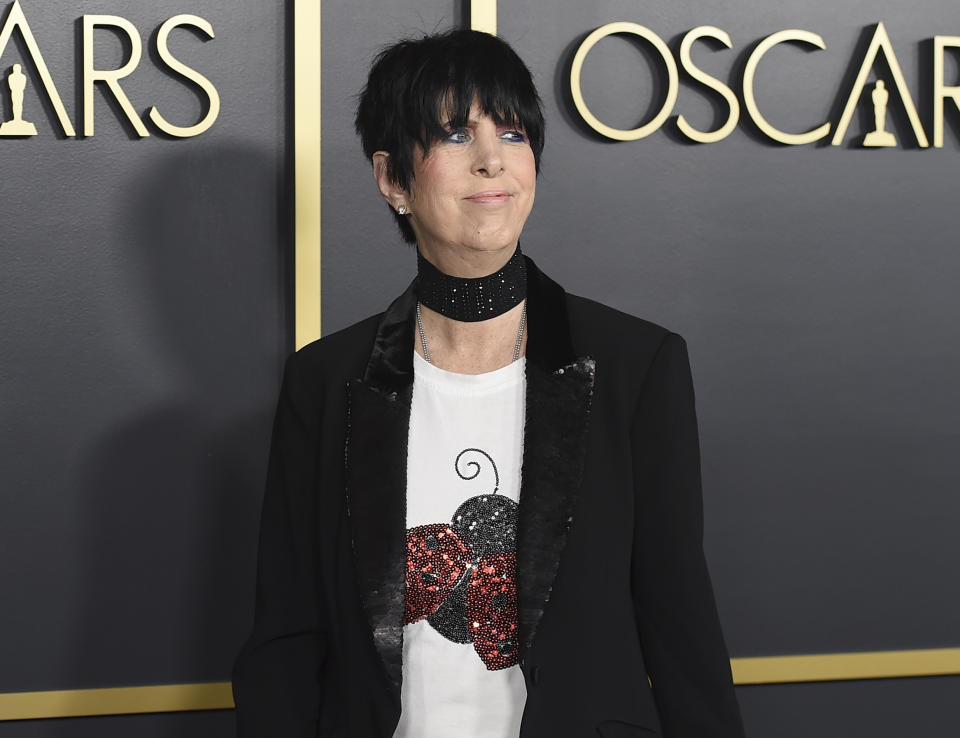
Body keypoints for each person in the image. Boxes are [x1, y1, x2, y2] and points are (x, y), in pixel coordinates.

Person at [232, 29, 745, 738]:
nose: (491, 161)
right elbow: (286, 638)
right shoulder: (326, 382)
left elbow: (680, 626)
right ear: (391, 180)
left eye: (511, 132)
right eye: (453, 135)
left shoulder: (636, 366)